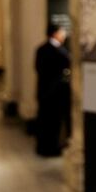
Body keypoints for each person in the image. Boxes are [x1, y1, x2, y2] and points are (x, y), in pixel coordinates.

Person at [34, 23, 71, 157]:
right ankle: (50, 148)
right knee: (51, 123)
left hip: (44, 92)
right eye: (62, 32)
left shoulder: (41, 49)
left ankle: (43, 147)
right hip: (55, 93)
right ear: (55, 33)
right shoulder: (59, 51)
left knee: (45, 121)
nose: (64, 35)